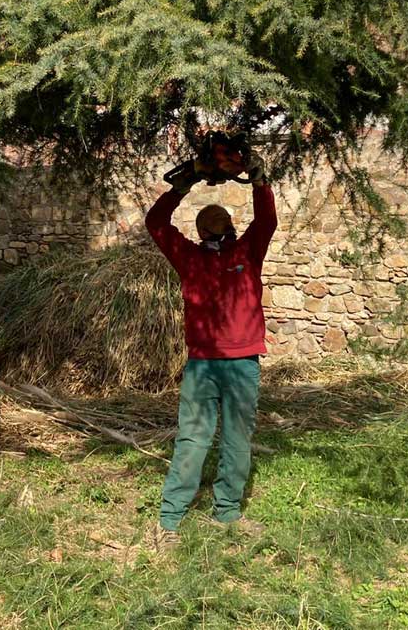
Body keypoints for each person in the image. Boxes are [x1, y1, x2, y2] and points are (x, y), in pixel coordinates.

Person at [145, 151, 276, 548]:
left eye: (223, 220)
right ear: (202, 231)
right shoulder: (190, 259)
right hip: (203, 365)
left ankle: (227, 513)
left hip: (242, 364)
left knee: (236, 439)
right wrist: (180, 187)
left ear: (231, 226)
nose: (220, 226)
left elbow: (266, 221)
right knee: (193, 438)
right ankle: (170, 521)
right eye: (213, 221)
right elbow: (156, 223)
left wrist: (259, 182)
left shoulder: (247, 253)